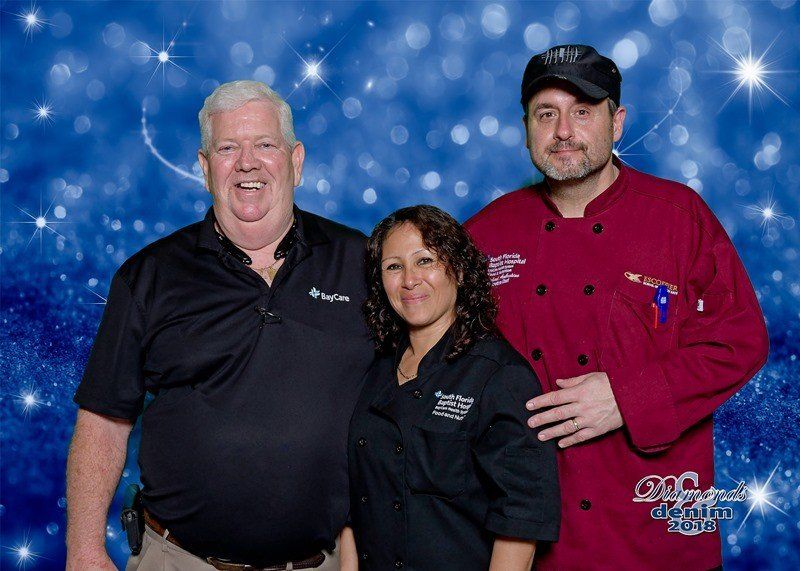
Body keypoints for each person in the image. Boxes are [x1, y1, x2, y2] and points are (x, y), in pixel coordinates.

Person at [465, 44, 769, 570]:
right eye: (546, 114)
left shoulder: (679, 217)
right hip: (532, 538)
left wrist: (628, 398)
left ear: (617, 122)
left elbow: (739, 341)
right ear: (526, 128)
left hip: (658, 534)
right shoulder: (484, 234)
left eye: (582, 111)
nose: (564, 131)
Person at [66, 80, 373, 570]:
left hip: (323, 562)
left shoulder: (361, 262)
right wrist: (83, 550)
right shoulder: (149, 276)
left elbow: (406, 391)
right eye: (228, 148)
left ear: (296, 161)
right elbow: (104, 420)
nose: (247, 163)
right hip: (177, 560)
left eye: (265, 145)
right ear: (205, 167)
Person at [342, 205, 560, 570]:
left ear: (458, 269)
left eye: (425, 261)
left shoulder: (499, 375)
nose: (409, 280)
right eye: (393, 267)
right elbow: (356, 501)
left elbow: (520, 519)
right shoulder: (375, 368)